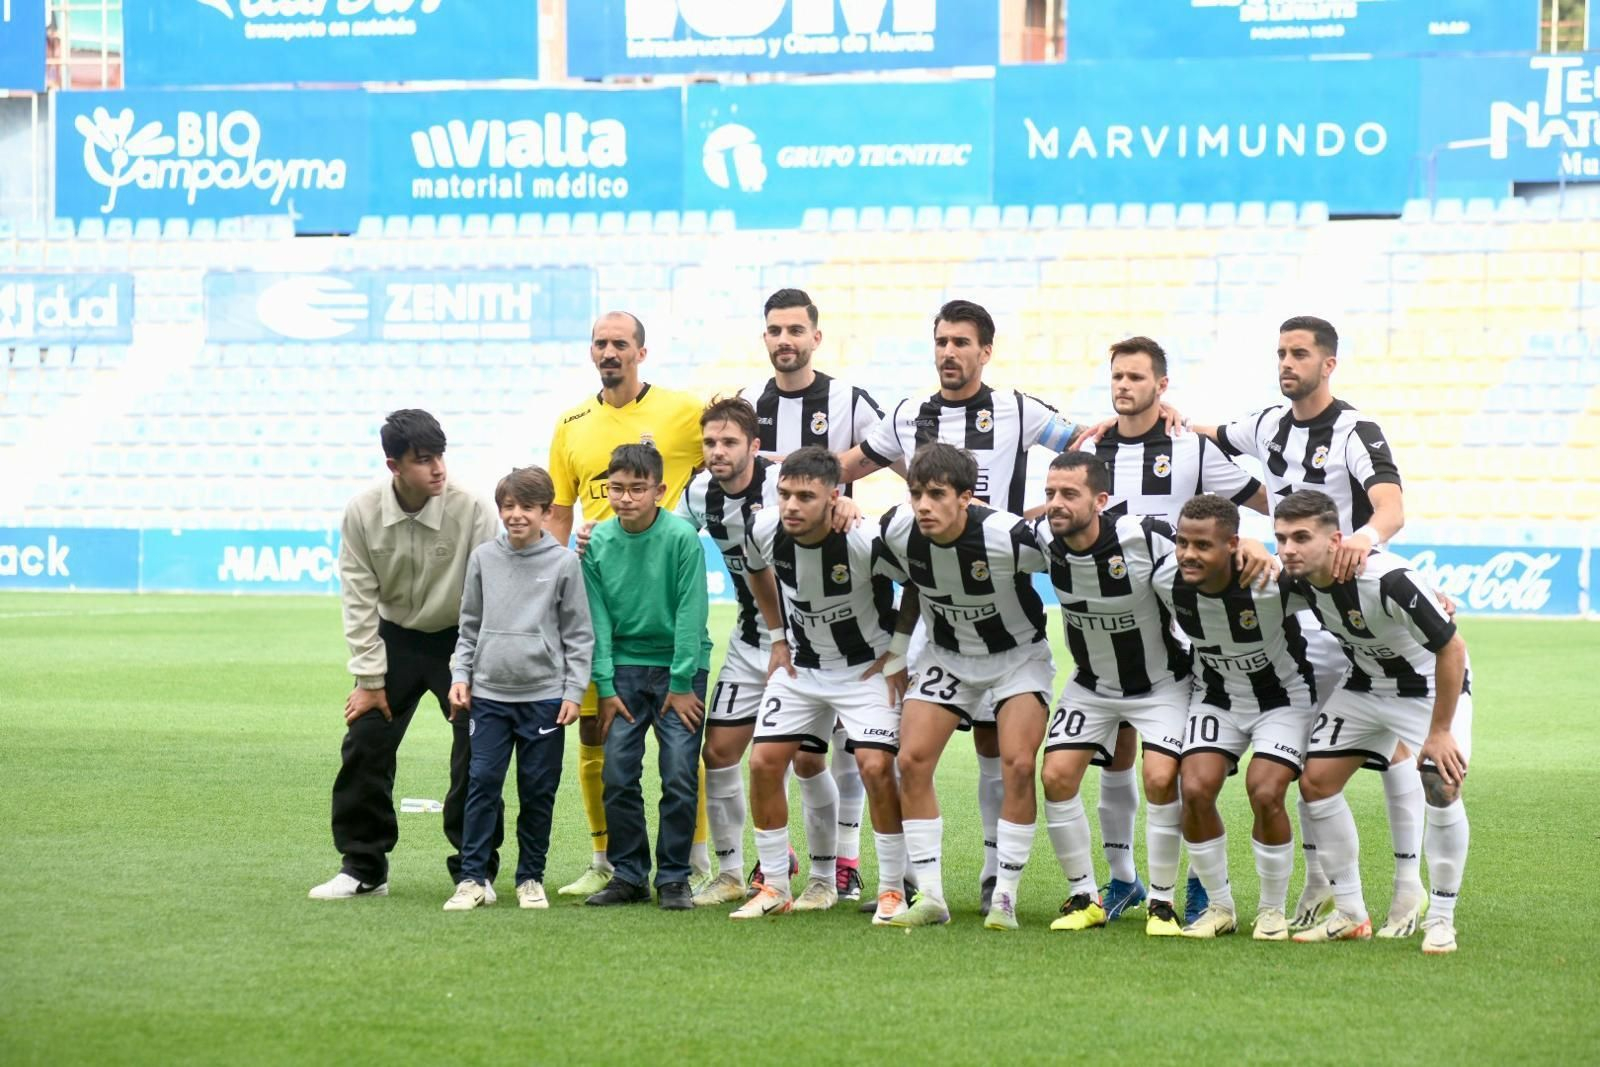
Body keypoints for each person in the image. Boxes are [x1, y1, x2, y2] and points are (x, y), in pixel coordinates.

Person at [836, 299, 1088, 915]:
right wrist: (821, 491)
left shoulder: (1018, 409)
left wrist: (1057, 503)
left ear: (985, 350)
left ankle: (997, 881)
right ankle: (921, 890)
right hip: (938, 609)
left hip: (1003, 586)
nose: (949, 352)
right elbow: (852, 465)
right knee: (912, 756)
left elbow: (1085, 444)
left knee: (1000, 756)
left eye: (961, 343)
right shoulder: (906, 418)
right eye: (941, 341)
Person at [1189, 315, 1425, 938]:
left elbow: (1391, 507)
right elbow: (1209, 431)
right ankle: (1325, 887)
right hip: (1302, 610)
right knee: (1312, 764)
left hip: (1353, 605)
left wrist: (1364, 545)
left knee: (1395, 749)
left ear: (1329, 364)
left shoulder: (1354, 430)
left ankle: (1407, 888)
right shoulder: (1267, 425)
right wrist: (1161, 417)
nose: (1287, 364)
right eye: (1281, 354)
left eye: (1299, 354)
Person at [1030, 453, 1274, 936]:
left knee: (1162, 778)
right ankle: (1085, 896)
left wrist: (1249, 540)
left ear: (1100, 501)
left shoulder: (1141, 535)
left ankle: (1161, 903)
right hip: (1091, 685)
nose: (1055, 504)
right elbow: (987, 527)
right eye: (1050, 494)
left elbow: (1203, 540)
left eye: (1068, 494)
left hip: (1161, 684)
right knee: (1056, 776)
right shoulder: (1041, 538)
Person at [1085, 336, 1268, 924]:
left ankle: (1196, 880)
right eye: (1117, 376)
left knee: (1180, 766)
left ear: (1162, 386)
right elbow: (1062, 505)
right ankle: (1122, 880)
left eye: (1136, 377)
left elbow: (1260, 499)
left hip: (1184, 627)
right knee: (1114, 755)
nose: (1123, 386)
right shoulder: (1091, 448)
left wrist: (1258, 541)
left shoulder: (1189, 446)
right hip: (1113, 626)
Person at [546, 311, 711, 900]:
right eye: (600, 343)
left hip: (670, 644)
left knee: (677, 770)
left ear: (642, 350)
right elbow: (560, 509)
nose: (609, 351)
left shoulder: (683, 413)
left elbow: (733, 448)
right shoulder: (571, 423)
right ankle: (613, 864)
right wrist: (561, 567)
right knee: (603, 750)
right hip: (607, 622)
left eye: (620, 343)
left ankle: (684, 868)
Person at [310, 409, 502, 901]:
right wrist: (369, 679)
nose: (437, 469)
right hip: (393, 640)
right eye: (423, 460)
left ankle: (475, 870)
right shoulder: (361, 511)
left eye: (440, 456)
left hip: (459, 641)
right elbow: (357, 597)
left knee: (478, 750)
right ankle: (364, 867)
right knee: (365, 742)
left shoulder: (474, 508)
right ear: (394, 465)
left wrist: (471, 665)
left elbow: (486, 593)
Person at [679, 396, 860, 907]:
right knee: (718, 753)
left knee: (806, 762)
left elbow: (834, 502)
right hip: (752, 640)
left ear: (755, 447)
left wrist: (845, 502)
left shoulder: (782, 485)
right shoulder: (698, 493)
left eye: (729, 442)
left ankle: (825, 877)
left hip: (806, 645)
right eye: (710, 442)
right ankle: (732, 872)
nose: (718, 451)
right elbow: (666, 532)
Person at [1274, 490, 1472, 955]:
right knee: (1315, 783)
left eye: (1301, 537)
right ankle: (1350, 912)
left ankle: (1441, 918)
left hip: (1428, 689)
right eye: (1281, 538)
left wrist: (1439, 732)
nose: (1288, 549)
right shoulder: (1295, 579)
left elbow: (1453, 650)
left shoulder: (1388, 580)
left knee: (1440, 786)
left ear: (1336, 539)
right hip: (1364, 686)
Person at [873, 443, 1055, 930]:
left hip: (1016, 660)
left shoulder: (1009, 536)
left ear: (967, 498)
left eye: (936, 494)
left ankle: (1005, 898)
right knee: (910, 761)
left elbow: (1078, 559)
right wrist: (895, 652)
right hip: (947, 658)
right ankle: (931, 896)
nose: (923, 505)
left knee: (1018, 764)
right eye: (916, 494)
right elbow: (913, 583)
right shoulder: (896, 529)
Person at [747, 287, 886, 906]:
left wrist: (845, 496)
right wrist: (776, 635)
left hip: (851, 587)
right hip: (794, 608)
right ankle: (786, 878)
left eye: (795, 330)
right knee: (802, 758)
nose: (785, 340)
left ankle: (848, 864)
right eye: (775, 330)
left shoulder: (850, 399)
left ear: (815, 337)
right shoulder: (754, 404)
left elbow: (894, 452)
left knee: (863, 757)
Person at [732, 448, 910, 923]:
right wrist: (776, 638)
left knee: (875, 769)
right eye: (785, 493)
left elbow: (918, 580)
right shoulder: (763, 528)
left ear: (834, 498)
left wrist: (899, 651)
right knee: (765, 762)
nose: (791, 505)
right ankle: (773, 885)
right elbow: (754, 569)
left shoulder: (863, 538)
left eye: (805, 497)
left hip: (863, 671)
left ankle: (893, 890)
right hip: (802, 670)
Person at [1151, 494, 1312, 941]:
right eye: (1182, 542)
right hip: (1215, 698)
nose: (1188, 554)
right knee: (1196, 789)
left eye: (1202, 545)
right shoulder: (1167, 577)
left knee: (1264, 791)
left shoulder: (1270, 582)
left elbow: (1333, 582)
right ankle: (1220, 907)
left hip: (1281, 700)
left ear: (1232, 545)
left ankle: (1271, 911)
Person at [443, 467, 592, 911]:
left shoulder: (564, 563)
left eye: (527, 507)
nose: (516, 515)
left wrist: (572, 691)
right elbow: (468, 626)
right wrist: (460, 675)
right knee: (481, 784)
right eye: (508, 506)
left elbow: (578, 635)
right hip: (489, 695)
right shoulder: (483, 559)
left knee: (537, 790)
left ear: (547, 512)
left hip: (544, 698)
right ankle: (471, 879)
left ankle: (530, 878)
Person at [581, 444, 713, 911]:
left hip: (681, 670)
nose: (626, 498)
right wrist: (605, 684)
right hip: (622, 672)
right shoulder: (596, 543)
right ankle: (630, 875)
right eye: (617, 488)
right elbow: (596, 619)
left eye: (638, 489)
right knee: (617, 775)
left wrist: (680, 684)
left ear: (659, 490)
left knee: (678, 773)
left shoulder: (681, 537)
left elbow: (690, 612)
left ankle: (674, 877)